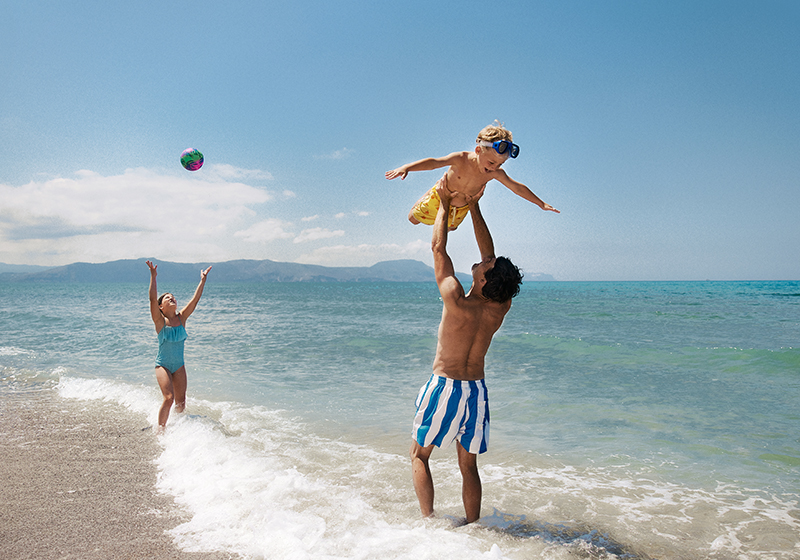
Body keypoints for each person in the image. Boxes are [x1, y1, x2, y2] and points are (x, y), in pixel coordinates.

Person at [409, 179, 523, 524]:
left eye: (486, 266)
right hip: (477, 391)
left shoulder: (457, 299)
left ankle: (428, 521)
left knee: (419, 455)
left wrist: (444, 203)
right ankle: (474, 529)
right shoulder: (500, 305)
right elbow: (490, 256)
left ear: (485, 280)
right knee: (468, 464)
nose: (482, 261)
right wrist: (473, 205)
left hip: (445, 386)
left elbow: (439, 252)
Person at [385, 122, 559, 230]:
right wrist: (407, 167)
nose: (495, 168)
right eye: (491, 163)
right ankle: (425, 195)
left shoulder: (495, 173)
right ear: (478, 150)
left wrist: (540, 203)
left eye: (500, 164)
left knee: (450, 228)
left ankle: (448, 219)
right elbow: (434, 163)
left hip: (462, 208)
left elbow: (516, 187)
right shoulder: (460, 159)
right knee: (413, 220)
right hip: (440, 197)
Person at [146, 260, 212, 431]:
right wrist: (154, 276)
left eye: (173, 296)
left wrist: (202, 281)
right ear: (161, 307)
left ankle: (177, 428)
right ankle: (160, 430)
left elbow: (195, 300)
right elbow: (152, 298)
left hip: (179, 366)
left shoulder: (182, 318)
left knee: (181, 403)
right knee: (169, 398)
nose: (172, 298)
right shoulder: (160, 321)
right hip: (163, 365)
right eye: (167, 298)